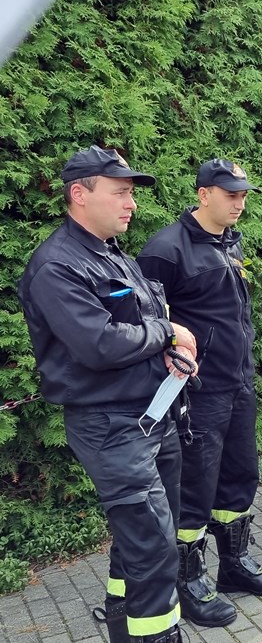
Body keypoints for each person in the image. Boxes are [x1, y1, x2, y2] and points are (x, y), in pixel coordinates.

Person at [18, 146, 198, 643]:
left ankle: (123, 622)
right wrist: (167, 333)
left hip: (153, 415)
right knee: (155, 549)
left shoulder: (112, 252)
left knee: (147, 536)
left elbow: (138, 325)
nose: (131, 204)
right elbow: (97, 343)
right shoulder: (57, 265)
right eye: (120, 193)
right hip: (111, 427)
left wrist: (168, 350)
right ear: (79, 194)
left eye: (131, 194)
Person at [136, 159, 262, 629]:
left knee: (240, 475)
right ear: (203, 194)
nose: (239, 203)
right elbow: (147, 321)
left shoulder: (229, 242)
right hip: (197, 392)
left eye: (243, 195)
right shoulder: (166, 250)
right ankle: (188, 580)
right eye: (230, 195)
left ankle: (234, 565)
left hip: (238, 382)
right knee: (196, 487)